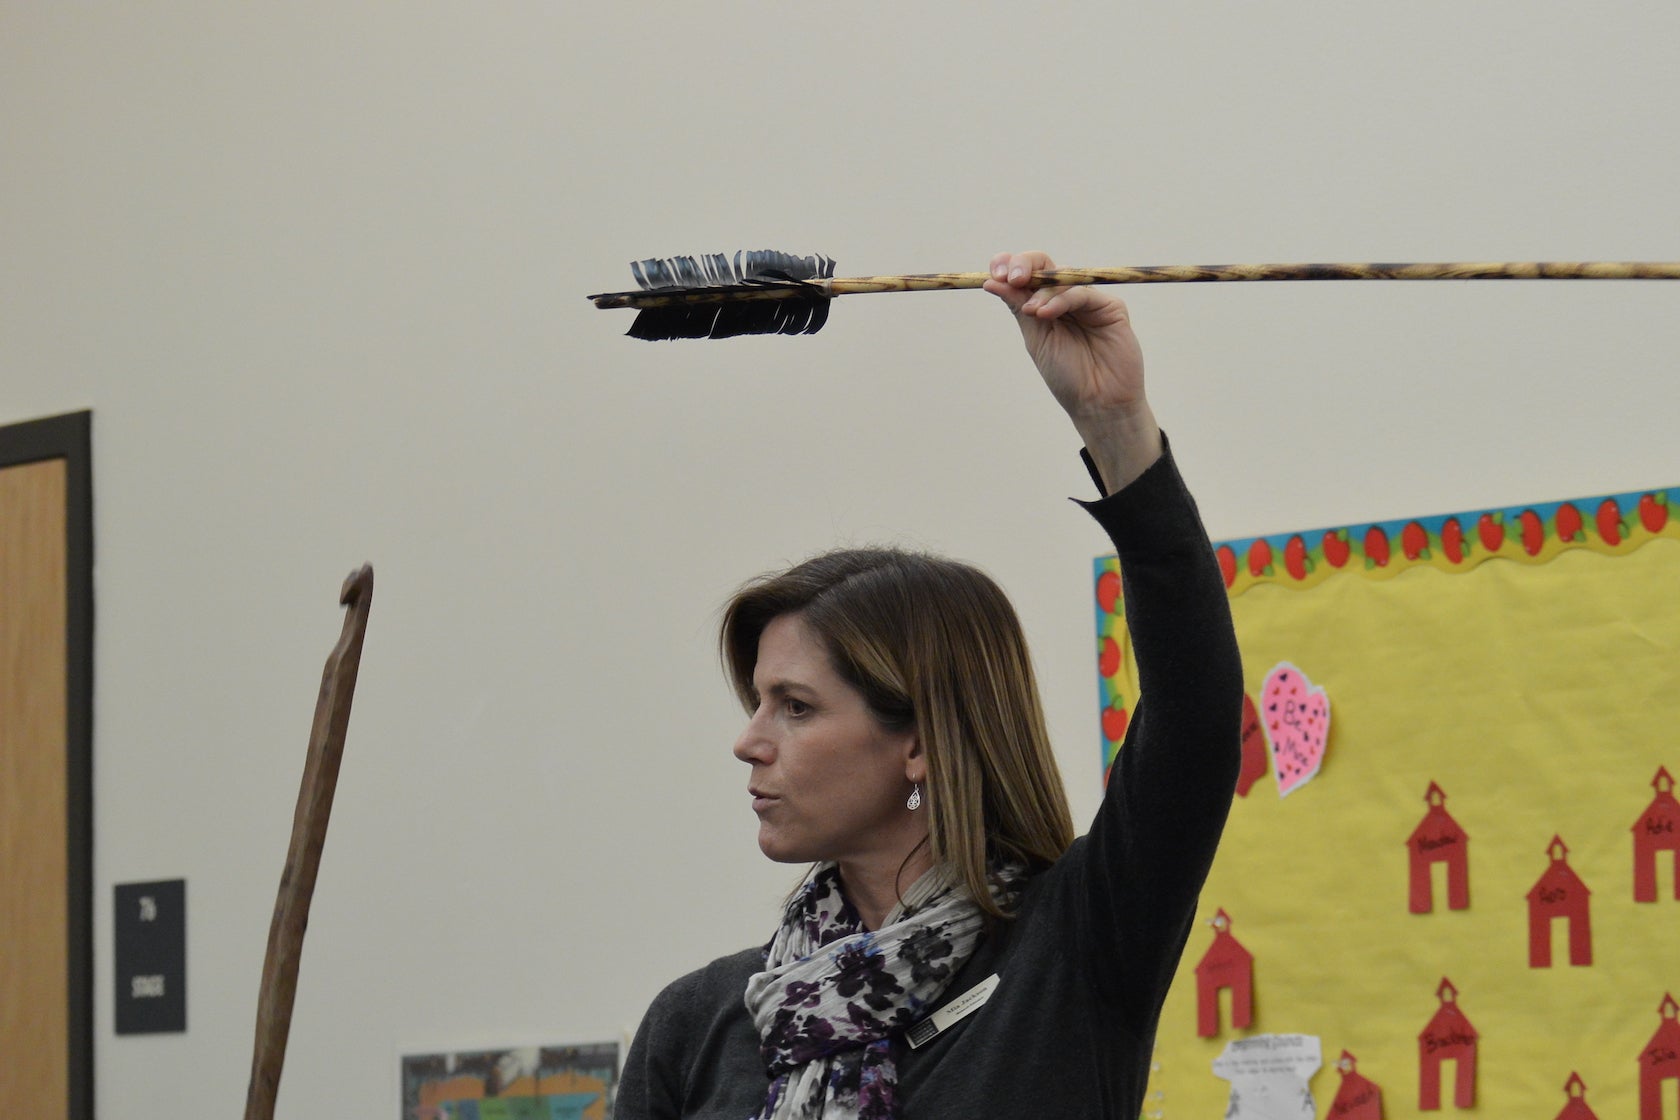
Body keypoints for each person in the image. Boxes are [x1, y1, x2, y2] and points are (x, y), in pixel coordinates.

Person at [617, 251, 1244, 1119]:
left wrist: (1115, 421)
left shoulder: (1076, 951)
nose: (748, 741)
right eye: (757, 702)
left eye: (795, 708)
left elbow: (1197, 716)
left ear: (919, 741)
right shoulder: (699, 1025)